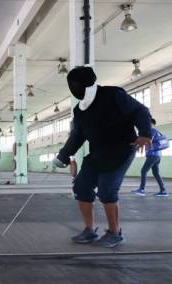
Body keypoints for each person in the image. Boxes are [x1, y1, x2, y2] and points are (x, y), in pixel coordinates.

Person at [53, 66, 152, 248]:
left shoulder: (113, 95)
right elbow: (78, 135)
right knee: (81, 186)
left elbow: (140, 111)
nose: (73, 88)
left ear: (86, 83)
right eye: (71, 84)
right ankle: (89, 231)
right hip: (98, 152)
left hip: (122, 149)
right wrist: (64, 155)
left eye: (76, 84)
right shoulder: (80, 110)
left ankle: (115, 233)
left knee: (107, 190)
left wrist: (145, 133)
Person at [132, 118, 168, 197]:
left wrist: (135, 145)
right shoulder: (158, 132)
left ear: (151, 123)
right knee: (156, 173)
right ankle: (163, 191)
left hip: (153, 155)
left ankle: (142, 189)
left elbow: (147, 141)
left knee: (143, 171)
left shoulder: (151, 131)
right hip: (157, 155)